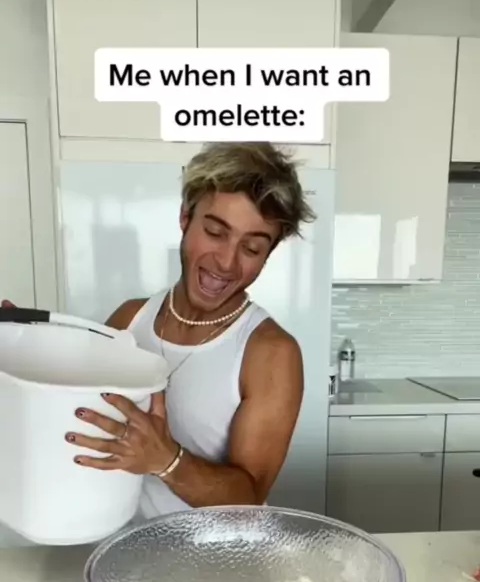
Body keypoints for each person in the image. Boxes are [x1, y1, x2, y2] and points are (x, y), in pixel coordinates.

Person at [6, 143, 315, 518]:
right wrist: (24, 347)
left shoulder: (270, 352)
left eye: (251, 248)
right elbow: (79, 408)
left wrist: (167, 460)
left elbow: (248, 498)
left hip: (216, 551)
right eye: (215, 232)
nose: (226, 262)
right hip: (122, 540)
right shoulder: (130, 319)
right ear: (185, 217)